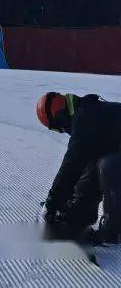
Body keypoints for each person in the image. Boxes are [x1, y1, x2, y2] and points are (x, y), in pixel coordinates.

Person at [38, 91, 121, 244]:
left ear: (58, 118)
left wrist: (52, 202)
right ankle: (82, 214)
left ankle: (113, 231)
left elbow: (71, 165)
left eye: (58, 128)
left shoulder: (84, 119)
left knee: (108, 166)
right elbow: (84, 166)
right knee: (93, 162)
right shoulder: (86, 112)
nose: (62, 131)